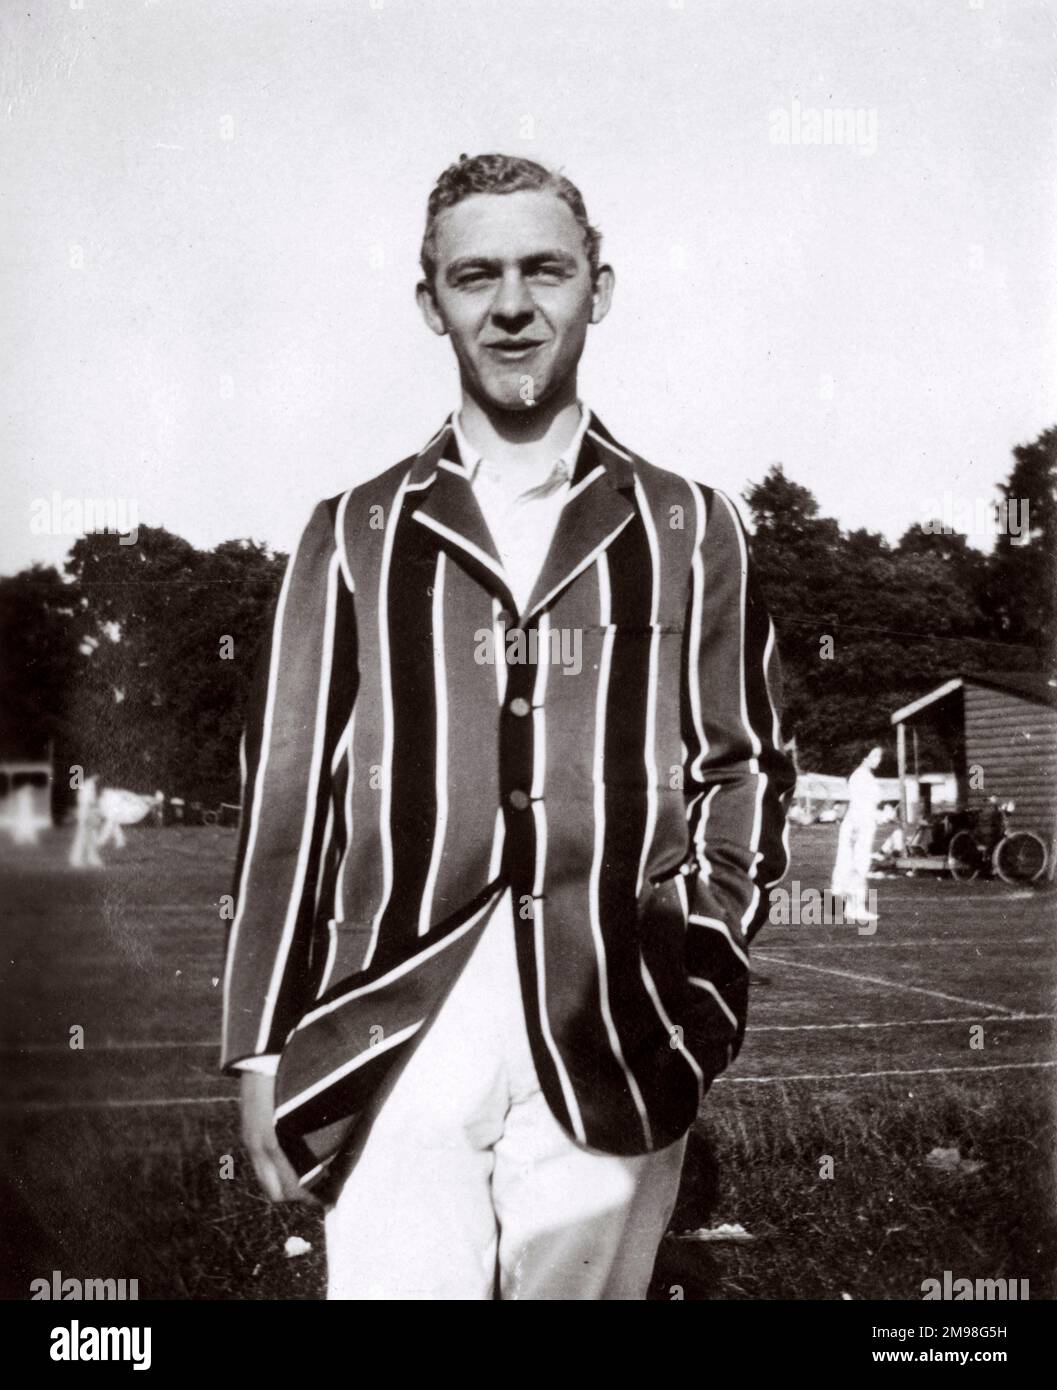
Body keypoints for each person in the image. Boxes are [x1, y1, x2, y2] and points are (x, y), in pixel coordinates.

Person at [221, 153, 796, 1300]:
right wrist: (257, 1045)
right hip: (391, 1025)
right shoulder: (353, 530)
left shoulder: (689, 523)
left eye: (546, 269)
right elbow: (288, 799)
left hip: (618, 1017)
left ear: (600, 287)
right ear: (430, 301)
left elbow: (743, 765)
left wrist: (705, 964)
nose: (513, 305)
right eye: (475, 275)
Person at [831, 746, 882, 924]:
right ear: (864, 757)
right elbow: (858, 805)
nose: (878, 759)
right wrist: (855, 830)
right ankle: (857, 907)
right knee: (857, 866)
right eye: (874, 755)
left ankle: (853, 908)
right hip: (858, 825)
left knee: (859, 865)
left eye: (879, 756)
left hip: (864, 825)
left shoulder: (866, 776)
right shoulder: (860, 777)